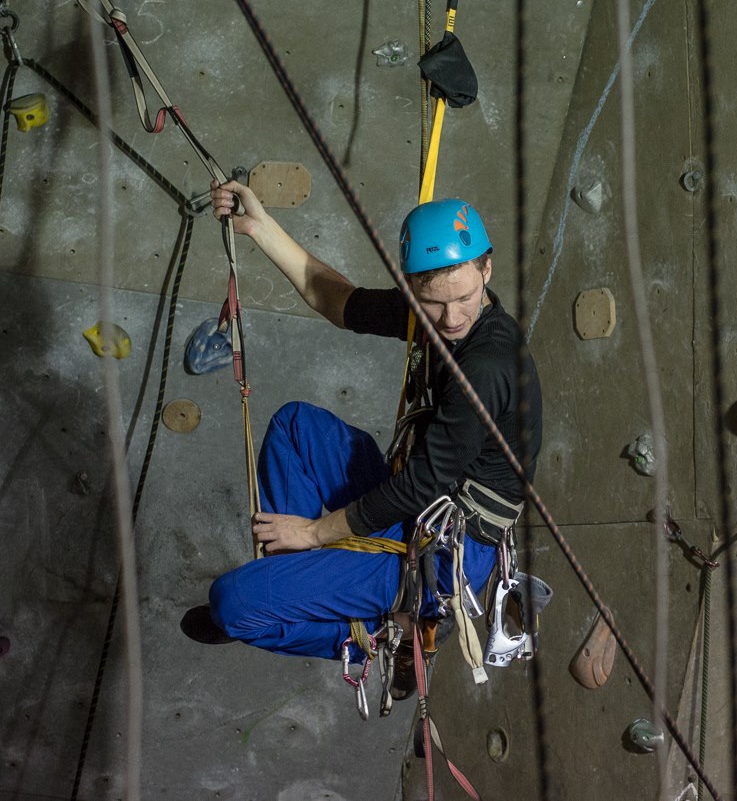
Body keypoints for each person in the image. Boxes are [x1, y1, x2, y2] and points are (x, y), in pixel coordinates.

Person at [197, 180, 543, 695]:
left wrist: (314, 532)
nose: (451, 319)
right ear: (412, 288)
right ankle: (321, 580)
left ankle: (376, 634)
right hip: (424, 502)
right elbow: (340, 302)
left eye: (465, 298)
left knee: (231, 606)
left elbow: (415, 490)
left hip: (450, 545)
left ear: (486, 270)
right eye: (432, 303)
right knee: (295, 426)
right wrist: (262, 228)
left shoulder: (487, 366)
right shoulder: (434, 312)